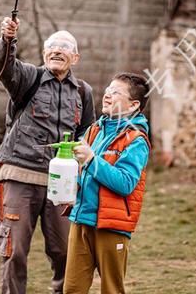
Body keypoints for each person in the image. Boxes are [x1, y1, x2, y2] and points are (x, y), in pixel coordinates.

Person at [0, 16, 96, 294]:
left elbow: (87, 133)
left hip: (62, 184)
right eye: (52, 46)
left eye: (64, 47)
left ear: (75, 57)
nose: (57, 50)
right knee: (14, 252)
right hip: (20, 176)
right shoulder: (29, 77)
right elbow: (2, 67)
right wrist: (8, 39)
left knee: (65, 252)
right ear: (44, 53)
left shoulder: (83, 91)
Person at [64, 73, 152, 294]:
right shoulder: (94, 130)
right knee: (72, 289)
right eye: (108, 90)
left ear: (134, 105)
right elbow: (81, 170)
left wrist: (92, 160)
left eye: (116, 92)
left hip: (111, 226)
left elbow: (125, 183)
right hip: (81, 220)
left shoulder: (136, 140)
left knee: (111, 289)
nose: (107, 95)